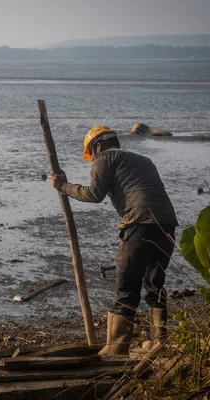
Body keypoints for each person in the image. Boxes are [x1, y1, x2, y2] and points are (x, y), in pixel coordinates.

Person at [50, 125, 178, 356]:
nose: (93, 160)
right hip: (167, 225)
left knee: (127, 287)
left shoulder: (104, 158)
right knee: (154, 284)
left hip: (140, 224)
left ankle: (116, 350)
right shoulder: (144, 160)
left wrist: (64, 186)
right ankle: (160, 344)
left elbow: (94, 194)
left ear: (98, 147)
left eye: (92, 154)